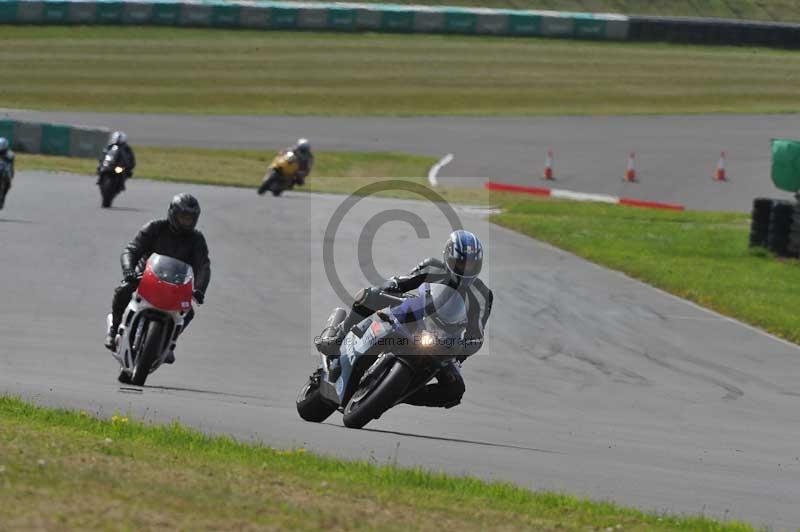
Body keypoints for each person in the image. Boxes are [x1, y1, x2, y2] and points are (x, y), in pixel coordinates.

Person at [315, 230, 492, 408]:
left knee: (454, 392)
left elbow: (477, 333)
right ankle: (338, 336)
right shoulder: (432, 267)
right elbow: (402, 281)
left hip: (446, 344)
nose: (465, 269)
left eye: (471, 265)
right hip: (415, 319)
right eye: (461, 263)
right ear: (448, 257)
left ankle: (397, 395)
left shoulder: (483, 295)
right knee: (369, 295)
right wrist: (391, 285)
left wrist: (463, 348)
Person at [104, 193, 211, 363]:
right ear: (173, 214)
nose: (186, 221)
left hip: (176, 284)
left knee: (188, 311)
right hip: (144, 277)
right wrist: (129, 271)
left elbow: (203, 266)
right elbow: (131, 250)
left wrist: (199, 290)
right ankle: (114, 329)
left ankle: (170, 344)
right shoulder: (154, 228)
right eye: (183, 217)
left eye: (190, 218)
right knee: (123, 290)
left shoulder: (196, 239)